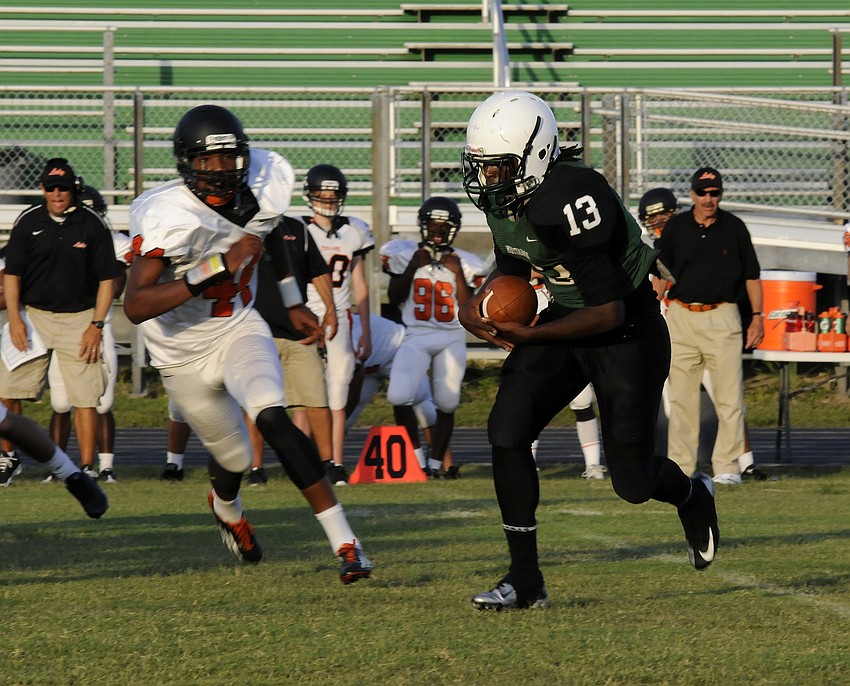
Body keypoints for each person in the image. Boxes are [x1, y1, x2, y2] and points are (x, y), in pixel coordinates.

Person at [458, 90, 718, 611]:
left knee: (633, 482)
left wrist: (530, 335)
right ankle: (525, 579)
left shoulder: (574, 194)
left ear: (534, 155)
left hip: (626, 328)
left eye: (499, 168)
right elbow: (511, 268)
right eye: (482, 168)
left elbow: (609, 311)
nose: (489, 181)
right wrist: (476, 305)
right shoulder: (509, 199)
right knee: (506, 430)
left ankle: (692, 495)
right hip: (566, 318)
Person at [123, 104, 371, 583]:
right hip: (181, 352)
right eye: (206, 161)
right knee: (234, 458)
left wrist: (292, 297)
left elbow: (271, 232)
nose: (220, 170)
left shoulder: (261, 182)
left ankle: (347, 544)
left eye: (229, 158)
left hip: (238, 326)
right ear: (185, 163)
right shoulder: (165, 213)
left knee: (272, 414)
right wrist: (217, 265)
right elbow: (135, 305)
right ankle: (226, 506)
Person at [0, 158, 121, 480]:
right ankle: (8, 457)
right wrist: (14, 318)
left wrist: (96, 324)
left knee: (84, 398)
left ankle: (84, 468)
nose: (57, 193)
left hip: (79, 319)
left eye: (63, 188)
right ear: (42, 188)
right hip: (34, 317)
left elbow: (108, 278)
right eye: (51, 187)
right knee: (6, 389)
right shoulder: (28, 221)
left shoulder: (91, 223)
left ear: (73, 189)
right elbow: (12, 274)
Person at [640, 187, 767, 483]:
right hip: (676, 329)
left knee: (729, 398)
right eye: (653, 216)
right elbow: (655, 289)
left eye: (663, 214)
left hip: (711, 321)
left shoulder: (687, 234)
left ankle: (740, 463)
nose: (659, 221)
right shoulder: (650, 248)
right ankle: (682, 467)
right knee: (677, 404)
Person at [381, 197, 485, 478]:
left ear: (454, 229)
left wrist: (458, 276)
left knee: (447, 401)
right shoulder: (406, 254)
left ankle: (437, 465)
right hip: (415, 334)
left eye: (444, 226)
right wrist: (414, 265)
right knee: (399, 395)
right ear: (422, 226)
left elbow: (469, 307)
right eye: (432, 225)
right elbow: (394, 297)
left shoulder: (466, 263)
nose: (437, 231)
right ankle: (414, 461)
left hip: (451, 336)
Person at [45, 184, 133, 484]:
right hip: (63, 326)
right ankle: (58, 467)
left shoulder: (114, 242)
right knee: (59, 402)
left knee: (102, 402)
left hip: (99, 325)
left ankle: (104, 466)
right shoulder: (53, 237)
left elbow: (117, 284)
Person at [244, 213, 337, 486]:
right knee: (255, 405)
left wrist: (331, 310)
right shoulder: (238, 226)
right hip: (255, 329)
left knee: (316, 398)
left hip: (298, 332)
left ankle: (328, 464)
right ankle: (256, 468)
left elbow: (317, 269)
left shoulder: (297, 228)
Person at [302, 164, 374, 485]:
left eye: (333, 196)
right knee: (306, 390)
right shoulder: (300, 230)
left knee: (338, 390)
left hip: (342, 317)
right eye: (323, 195)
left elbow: (360, 285)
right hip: (308, 315)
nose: (329, 201)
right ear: (311, 196)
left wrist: (366, 332)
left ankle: (335, 462)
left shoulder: (353, 231)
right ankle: (303, 460)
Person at [345, 312, 459, 478]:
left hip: (401, 348)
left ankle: (447, 468)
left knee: (424, 409)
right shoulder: (338, 331)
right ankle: (332, 466)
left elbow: (352, 393)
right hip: (370, 366)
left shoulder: (348, 333)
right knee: (342, 418)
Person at [528, 272, 605, 480]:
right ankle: (526, 463)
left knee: (582, 400)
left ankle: (594, 464)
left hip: (569, 312)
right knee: (532, 399)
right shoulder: (523, 248)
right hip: (533, 308)